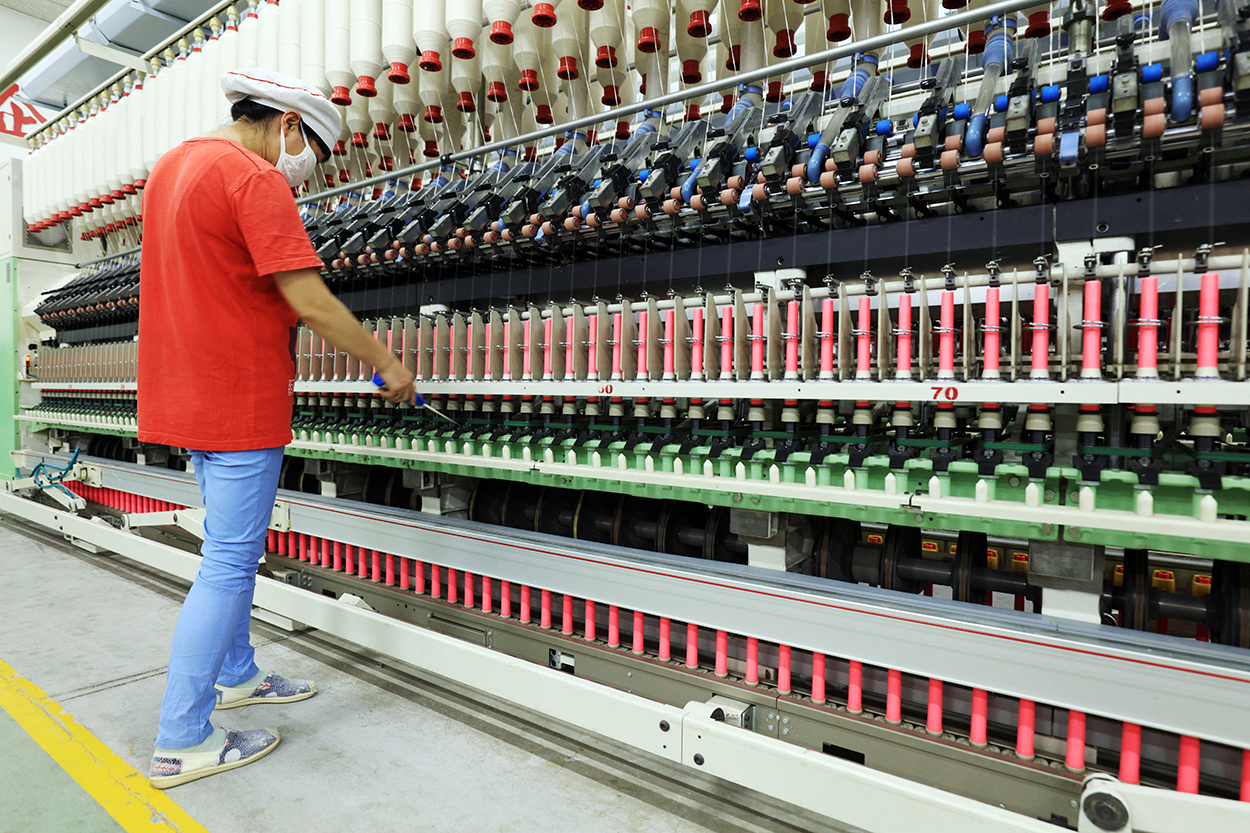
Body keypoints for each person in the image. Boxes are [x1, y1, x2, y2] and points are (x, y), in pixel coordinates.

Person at [137, 68, 415, 788]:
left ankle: (236, 674)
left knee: (228, 550)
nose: (298, 173)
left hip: (187, 394)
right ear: (289, 126)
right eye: (308, 155)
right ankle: (182, 738)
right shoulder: (252, 177)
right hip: (239, 397)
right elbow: (308, 298)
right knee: (228, 562)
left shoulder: (172, 167)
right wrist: (386, 363)